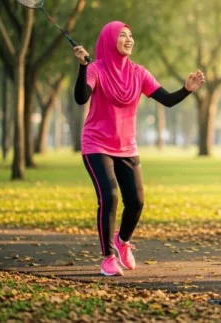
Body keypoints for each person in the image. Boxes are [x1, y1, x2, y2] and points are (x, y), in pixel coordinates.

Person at [73, 20, 205, 276]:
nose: (129, 39)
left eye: (130, 35)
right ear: (110, 40)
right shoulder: (95, 69)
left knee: (136, 202)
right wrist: (82, 67)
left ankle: (122, 243)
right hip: (97, 145)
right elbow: (81, 98)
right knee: (110, 195)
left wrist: (186, 90)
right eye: (122, 35)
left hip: (126, 147)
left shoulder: (139, 73)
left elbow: (166, 99)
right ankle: (108, 257)